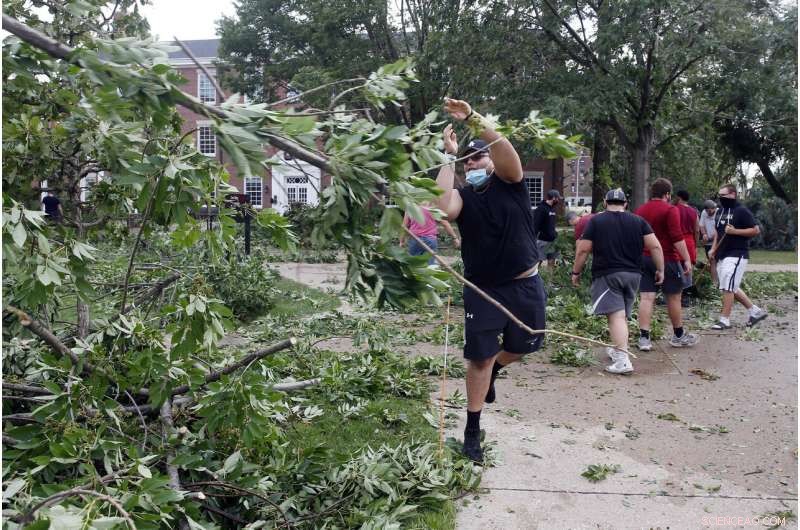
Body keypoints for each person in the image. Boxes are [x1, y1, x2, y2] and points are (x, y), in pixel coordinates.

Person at [436, 98, 545, 464]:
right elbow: (441, 207)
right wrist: (449, 157)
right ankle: (472, 429)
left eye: (477, 157)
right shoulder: (464, 198)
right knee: (479, 360)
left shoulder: (511, 182)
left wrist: (471, 119)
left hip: (524, 284)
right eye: (468, 160)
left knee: (525, 346)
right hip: (482, 289)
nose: (473, 162)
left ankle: (498, 367)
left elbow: (504, 150)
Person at [572, 189, 664, 374]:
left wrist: (576, 271)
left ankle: (623, 359)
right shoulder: (638, 221)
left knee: (616, 317)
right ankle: (618, 349)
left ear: (605, 202)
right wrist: (660, 269)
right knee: (621, 315)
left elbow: (583, 250)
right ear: (625, 204)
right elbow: (655, 245)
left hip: (608, 275)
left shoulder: (596, 221)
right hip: (634, 275)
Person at [634, 178, 698, 350]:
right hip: (668, 259)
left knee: (646, 297)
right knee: (674, 297)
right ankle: (678, 335)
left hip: (645, 258)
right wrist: (686, 259)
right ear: (667, 194)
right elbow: (677, 238)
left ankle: (644, 338)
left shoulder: (640, 210)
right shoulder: (670, 210)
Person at [708, 183, 768, 329]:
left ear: (733, 195)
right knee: (729, 286)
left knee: (728, 284)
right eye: (719, 195)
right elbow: (717, 231)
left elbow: (755, 230)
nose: (721, 198)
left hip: (737, 253)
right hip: (722, 253)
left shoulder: (741, 211)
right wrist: (713, 248)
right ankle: (755, 311)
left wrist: (735, 232)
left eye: (724, 195)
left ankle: (724, 319)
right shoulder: (720, 211)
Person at [533, 190, 561, 267]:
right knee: (538, 261)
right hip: (543, 240)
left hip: (553, 240)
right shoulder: (541, 209)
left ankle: (550, 278)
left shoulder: (552, 209)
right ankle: (536, 276)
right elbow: (535, 225)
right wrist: (533, 238)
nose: (558, 200)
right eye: (557, 198)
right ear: (553, 198)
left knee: (552, 260)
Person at [674, 190, 699, 266]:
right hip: (690, 242)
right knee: (688, 269)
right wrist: (696, 245)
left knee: (676, 269)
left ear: (679, 198)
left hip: (677, 242)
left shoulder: (674, 209)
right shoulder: (694, 212)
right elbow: (697, 231)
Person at [699, 199, 719, 286]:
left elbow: (720, 228)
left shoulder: (719, 212)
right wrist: (704, 234)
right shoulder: (704, 213)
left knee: (718, 261)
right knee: (712, 262)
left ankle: (721, 282)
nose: (709, 212)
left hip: (718, 241)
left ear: (714, 208)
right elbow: (701, 225)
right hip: (708, 242)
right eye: (707, 210)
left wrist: (715, 236)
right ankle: (715, 283)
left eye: (711, 210)